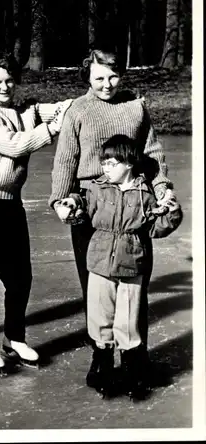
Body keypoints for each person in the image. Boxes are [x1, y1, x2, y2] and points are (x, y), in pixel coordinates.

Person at [49, 47, 177, 383]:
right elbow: (65, 159)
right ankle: (101, 357)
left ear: (122, 73)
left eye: (113, 76)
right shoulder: (78, 110)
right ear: (87, 77)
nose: (107, 84)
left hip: (134, 205)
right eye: (99, 78)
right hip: (91, 204)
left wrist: (163, 189)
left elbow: (152, 153)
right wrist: (62, 200)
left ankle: (136, 357)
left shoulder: (135, 107)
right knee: (97, 289)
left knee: (134, 286)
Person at [0, 51, 73, 376]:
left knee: (19, 278)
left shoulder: (25, 110)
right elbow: (15, 146)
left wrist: (76, 106)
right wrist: (52, 130)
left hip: (10, 204)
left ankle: (15, 338)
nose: (4, 86)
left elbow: (66, 108)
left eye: (9, 79)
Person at [66, 135, 182, 400]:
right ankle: (103, 368)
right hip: (99, 262)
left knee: (128, 321)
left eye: (111, 163)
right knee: (99, 316)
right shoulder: (97, 188)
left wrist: (171, 213)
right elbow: (82, 206)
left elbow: (156, 227)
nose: (105, 168)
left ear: (128, 163)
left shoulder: (145, 193)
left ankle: (133, 372)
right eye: (103, 162)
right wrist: (71, 206)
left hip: (131, 263)